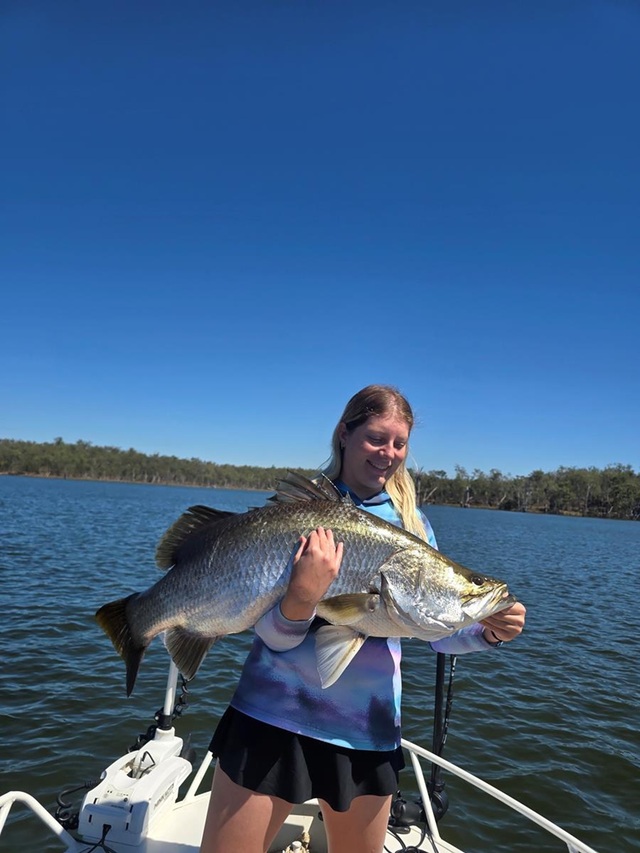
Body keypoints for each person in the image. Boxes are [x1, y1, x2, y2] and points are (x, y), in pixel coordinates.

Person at [199, 385, 526, 853]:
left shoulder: (413, 526)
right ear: (344, 434)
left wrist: (487, 633)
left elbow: (434, 632)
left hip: (365, 733)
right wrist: (303, 595)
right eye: (376, 438)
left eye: (399, 443)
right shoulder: (298, 515)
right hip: (269, 719)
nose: (388, 453)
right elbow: (273, 637)